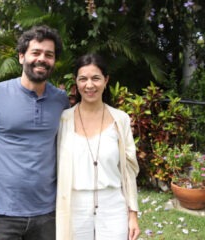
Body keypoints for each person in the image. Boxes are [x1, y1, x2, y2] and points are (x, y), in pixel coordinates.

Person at [0, 25, 70, 240]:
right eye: (36, 53)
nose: (42, 59)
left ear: (54, 61)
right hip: (1, 213)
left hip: (48, 212)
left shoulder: (61, 100)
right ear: (22, 57)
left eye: (48, 55)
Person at [56, 53, 141, 240]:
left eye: (96, 78)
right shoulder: (63, 120)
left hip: (113, 204)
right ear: (76, 83)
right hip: (74, 204)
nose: (89, 85)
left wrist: (133, 214)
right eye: (83, 79)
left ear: (106, 80)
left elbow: (128, 171)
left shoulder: (121, 120)